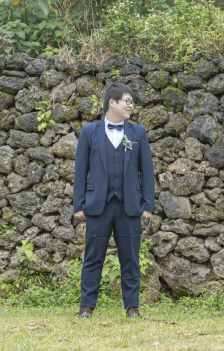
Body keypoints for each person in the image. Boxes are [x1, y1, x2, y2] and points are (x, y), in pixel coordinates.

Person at [73, 83, 155, 319]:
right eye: (127, 101)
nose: (131, 105)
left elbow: (146, 170)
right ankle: (87, 306)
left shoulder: (137, 132)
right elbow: (81, 170)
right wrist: (79, 205)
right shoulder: (89, 132)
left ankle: (132, 308)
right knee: (92, 257)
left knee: (130, 258)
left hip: (129, 205)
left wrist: (147, 205)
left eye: (132, 102)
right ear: (112, 102)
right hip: (98, 205)